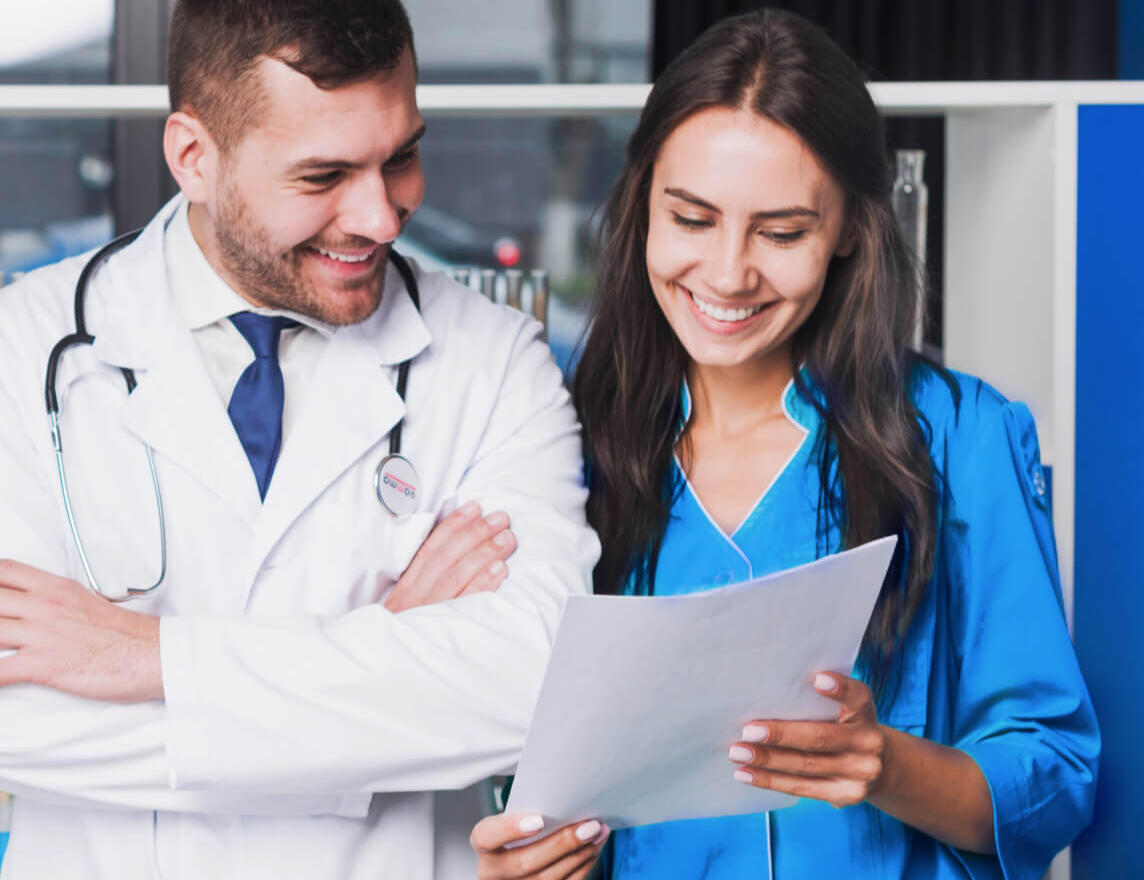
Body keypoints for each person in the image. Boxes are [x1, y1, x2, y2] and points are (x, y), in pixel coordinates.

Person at [0, 1, 599, 878]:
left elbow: (535, 688)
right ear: (194, 158)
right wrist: (387, 652)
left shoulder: (494, 361)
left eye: (403, 158)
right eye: (323, 177)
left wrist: (151, 657)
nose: (384, 217)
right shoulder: (8, 352)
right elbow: (9, 727)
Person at [466, 9, 1098, 880]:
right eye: (690, 218)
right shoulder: (562, 445)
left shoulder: (961, 438)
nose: (728, 275)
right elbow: (510, 767)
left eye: (783, 232)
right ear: (642, 203)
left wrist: (887, 764)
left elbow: (1058, 778)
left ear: (847, 232)